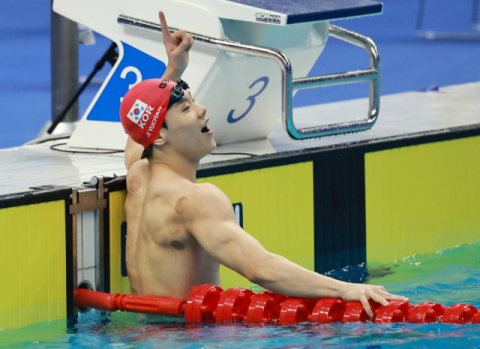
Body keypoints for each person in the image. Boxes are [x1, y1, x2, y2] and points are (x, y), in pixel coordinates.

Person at [121, 11, 408, 321]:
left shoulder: (139, 177)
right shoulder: (195, 200)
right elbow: (260, 268)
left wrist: (174, 71)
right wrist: (345, 289)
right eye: (188, 108)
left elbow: (142, 128)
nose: (203, 110)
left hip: (145, 335)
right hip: (190, 341)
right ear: (162, 136)